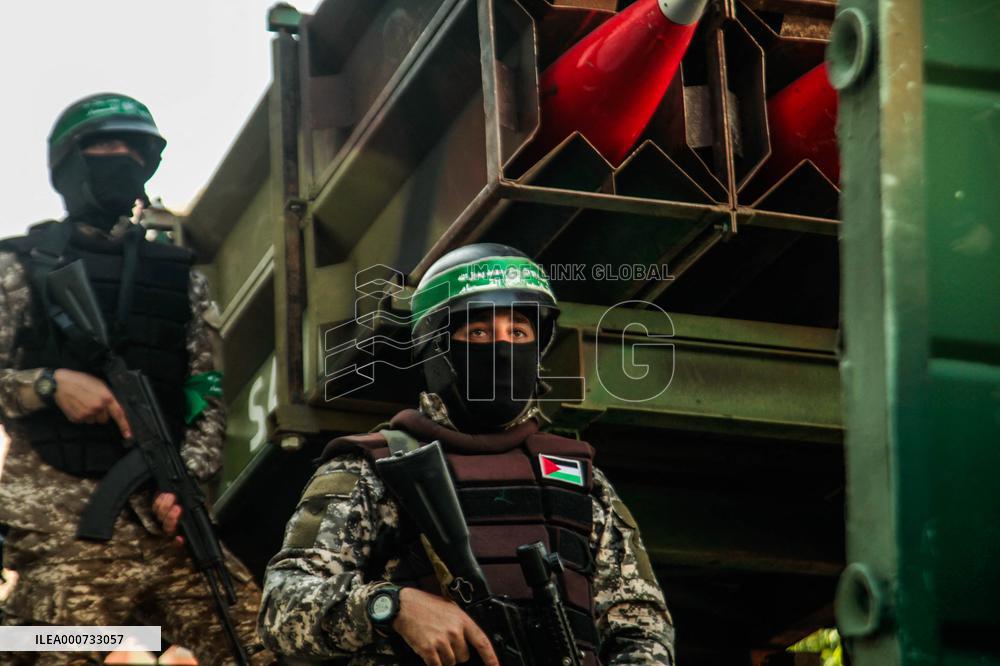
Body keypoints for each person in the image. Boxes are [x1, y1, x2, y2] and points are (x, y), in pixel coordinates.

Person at [258, 244, 674, 665]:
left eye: (519, 333)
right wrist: (389, 606)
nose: (502, 348)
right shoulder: (372, 469)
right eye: (478, 333)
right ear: (437, 348)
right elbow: (281, 609)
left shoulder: (582, 481)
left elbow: (642, 628)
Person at [0, 93, 270, 665]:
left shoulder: (180, 277)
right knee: (43, 644)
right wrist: (50, 384)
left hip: (167, 525)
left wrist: (186, 483)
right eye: (103, 146)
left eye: (132, 149)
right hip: (60, 528)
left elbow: (205, 393)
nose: (118, 157)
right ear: (70, 163)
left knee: (260, 643)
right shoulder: (18, 267)